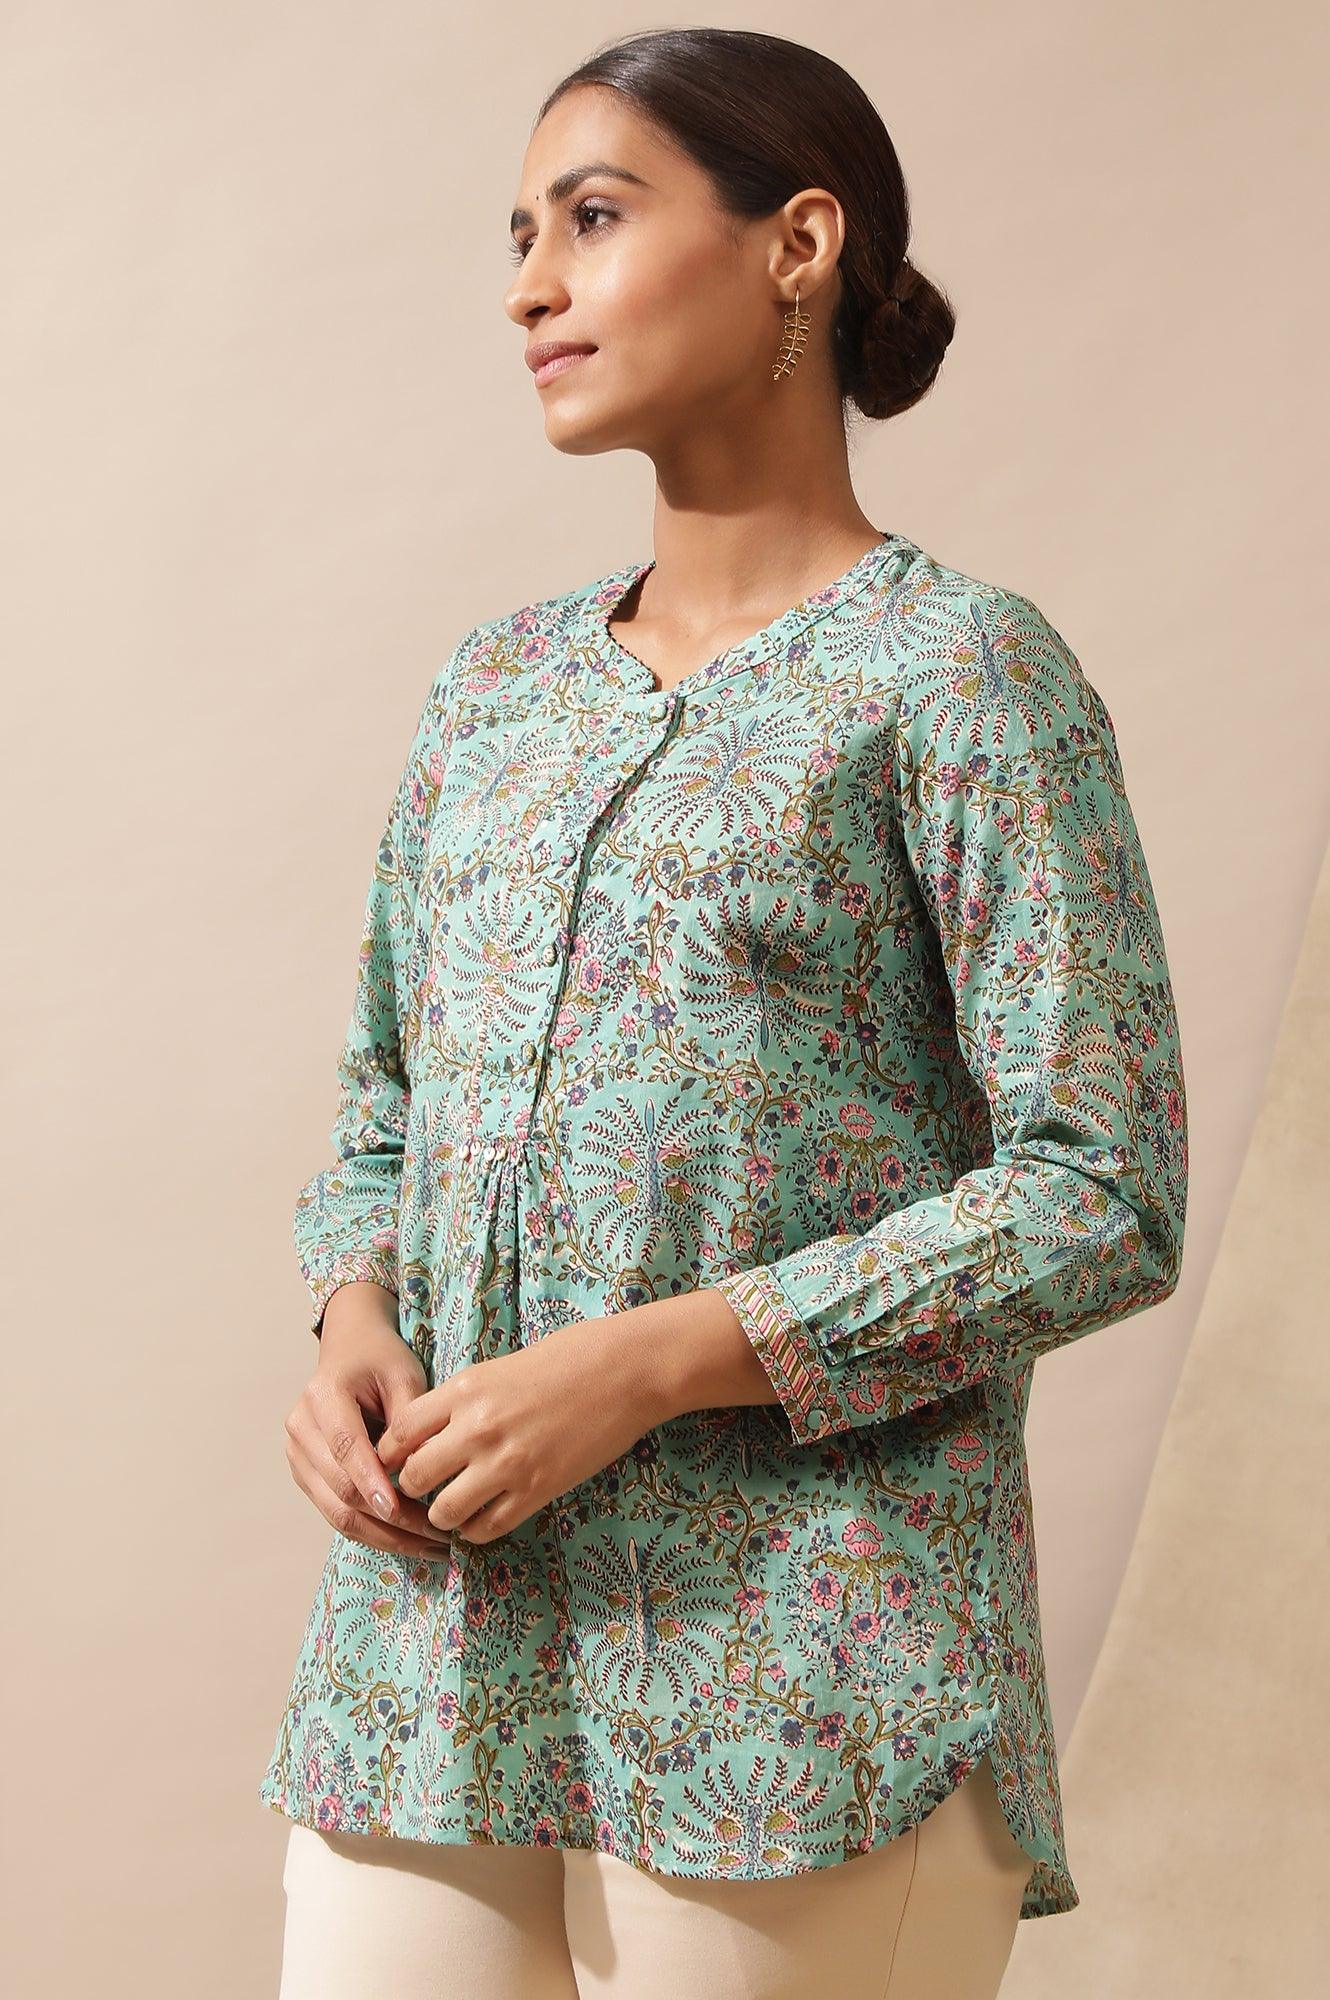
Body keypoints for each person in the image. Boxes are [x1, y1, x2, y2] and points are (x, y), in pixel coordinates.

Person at [261, 26, 1189, 2000]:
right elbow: (382, 1097)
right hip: (432, 1658)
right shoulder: (494, 690)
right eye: (519, 235)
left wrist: (656, 1362)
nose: (529, 285)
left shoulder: (958, 675)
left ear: (796, 244)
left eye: (591, 219)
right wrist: (349, 1326)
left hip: (804, 1670)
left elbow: (1099, 1187)